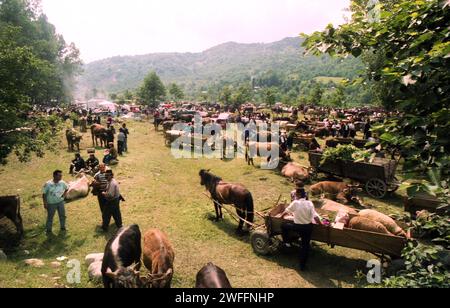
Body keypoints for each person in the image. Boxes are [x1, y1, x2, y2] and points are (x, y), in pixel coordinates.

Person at [280, 189, 322, 271]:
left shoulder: (295, 203)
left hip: (297, 227)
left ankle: (287, 243)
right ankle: (302, 266)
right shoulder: (310, 203)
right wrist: (321, 225)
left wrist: (281, 217)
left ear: (298, 195)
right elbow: (316, 217)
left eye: (295, 195)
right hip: (307, 228)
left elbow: (286, 211)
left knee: (283, 226)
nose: (295, 196)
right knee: (305, 246)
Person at [42, 170, 69, 234]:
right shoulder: (48, 184)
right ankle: (48, 230)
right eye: (59, 175)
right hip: (51, 204)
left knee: (62, 215)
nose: (61, 176)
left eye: (61, 175)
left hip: (60, 202)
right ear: (54, 176)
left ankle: (63, 227)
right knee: (50, 217)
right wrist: (45, 203)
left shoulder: (62, 182)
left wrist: (64, 195)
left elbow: (67, 188)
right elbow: (44, 194)